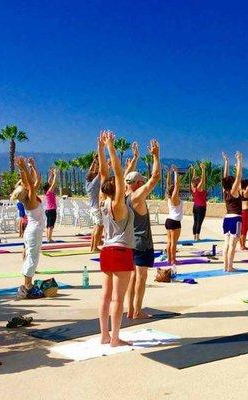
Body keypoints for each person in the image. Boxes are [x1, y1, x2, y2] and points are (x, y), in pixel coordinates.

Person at [97, 130, 134, 347]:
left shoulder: (103, 202)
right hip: (121, 251)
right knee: (117, 299)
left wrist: (100, 149)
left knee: (105, 295)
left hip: (107, 251)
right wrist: (110, 147)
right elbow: (118, 176)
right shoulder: (118, 205)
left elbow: (104, 173)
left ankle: (104, 335)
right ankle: (115, 338)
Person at [124, 140, 161, 319]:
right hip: (142, 242)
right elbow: (155, 178)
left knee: (132, 277)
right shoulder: (137, 196)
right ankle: (137, 311)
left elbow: (125, 177)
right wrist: (156, 155)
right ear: (138, 183)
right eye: (141, 182)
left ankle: (131, 309)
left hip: (129, 241)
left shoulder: (123, 195)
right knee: (141, 277)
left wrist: (135, 159)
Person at [11, 157, 45, 299]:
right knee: (32, 258)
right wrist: (24, 167)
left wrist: (29, 167)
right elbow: (31, 183)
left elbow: (34, 181)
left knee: (31, 257)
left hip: (31, 231)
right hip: (33, 231)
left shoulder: (28, 197)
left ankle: (27, 285)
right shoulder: (30, 199)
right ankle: (27, 286)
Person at [221, 151, 243, 271]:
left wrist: (226, 162)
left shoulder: (225, 191)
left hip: (227, 219)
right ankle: (230, 267)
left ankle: (225, 266)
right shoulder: (234, 191)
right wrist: (239, 160)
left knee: (226, 244)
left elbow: (225, 178)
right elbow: (239, 177)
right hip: (236, 219)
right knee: (232, 245)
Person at [165, 165, 183, 267]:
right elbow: (176, 184)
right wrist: (176, 172)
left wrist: (168, 174)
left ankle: (169, 259)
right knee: (174, 243)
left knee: (169, 242)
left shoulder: (169, 197)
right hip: (175, 221)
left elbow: (169, 185)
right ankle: (173, 260)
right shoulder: (174, 198)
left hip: (169, 221)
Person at [86, 155, 103, 252]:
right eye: (94, 174)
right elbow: (101, 172)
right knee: (99, 226)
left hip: (93, 207)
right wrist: (100, 160)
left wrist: (94, 161)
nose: (95, 173)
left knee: (96, 227)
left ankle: (93, 246)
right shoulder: (94, 183)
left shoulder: (88, 183)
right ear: (93, 178)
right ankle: (94, 247)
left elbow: (89, 172)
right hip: (96, 208)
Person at [190, 162, 208, 241]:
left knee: (195, 221)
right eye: (199, 180)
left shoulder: (193, 188)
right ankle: (197, 237)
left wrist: (194, 170)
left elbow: (193, 179)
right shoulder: (198, 188)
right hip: (201, 207)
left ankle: (194, 236)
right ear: (198, 182)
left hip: (195, 207)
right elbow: (203, 180)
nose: (200, 180)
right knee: (199, 222)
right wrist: (203, 169)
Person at [43, 168, 58, 243]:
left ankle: (48, 238)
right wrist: (55, 175)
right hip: (51, 210)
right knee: (51, 225)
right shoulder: (49, 191)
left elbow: (50, 182)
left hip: (48, 210)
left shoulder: (47, 192)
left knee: (49, 225)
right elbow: (54, 183)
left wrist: (51, 174)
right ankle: (49, 239)